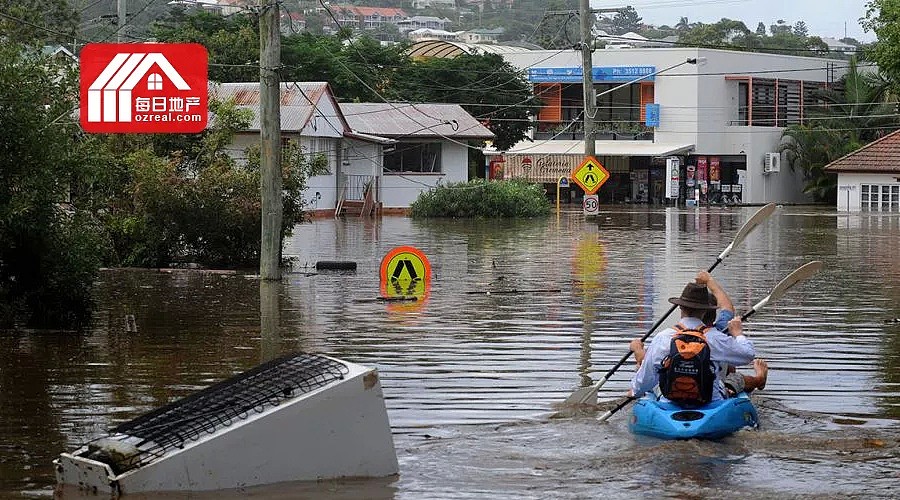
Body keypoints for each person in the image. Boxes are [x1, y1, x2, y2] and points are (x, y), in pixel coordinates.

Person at [629, 282, 755, 404]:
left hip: (670, 401)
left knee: (651, 377)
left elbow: (646, 379)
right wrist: (738, 333)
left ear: (680, 307)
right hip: (711, 401)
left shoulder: (663, 337)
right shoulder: (715, 338)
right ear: (705, 311)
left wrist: (634, 391)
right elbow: (747, 355)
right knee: (728, 382)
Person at [696, 271, 768, 396]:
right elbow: (727, 308)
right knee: (736, 377)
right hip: (712, 394)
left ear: (682, 309)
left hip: (678, 391)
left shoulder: (667, 336)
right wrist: (737, 333)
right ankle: (759, 379)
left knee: (729, 367)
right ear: (713, 313)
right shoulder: (720, 336)